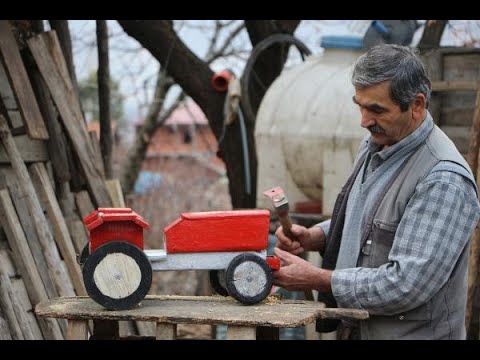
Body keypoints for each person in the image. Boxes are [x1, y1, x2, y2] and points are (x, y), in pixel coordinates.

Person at [272, 43, 480, 340]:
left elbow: (406, 284)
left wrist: (320, 279)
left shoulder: (443, 179)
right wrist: (318, 235)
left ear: (417, 105)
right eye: (360, 105)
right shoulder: (377, 145)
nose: (364, 121)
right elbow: (370, 223)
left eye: (376, 110)